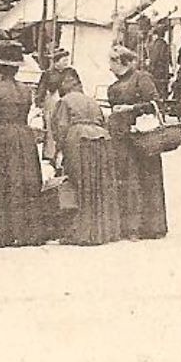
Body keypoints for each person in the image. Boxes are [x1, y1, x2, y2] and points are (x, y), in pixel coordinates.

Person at [0, 41, 45, 248]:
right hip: (24, 137)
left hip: (2, 137)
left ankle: (1, 233)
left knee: (1, 182)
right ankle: (28, 232)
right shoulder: (26, 90)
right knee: (25, 182)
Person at [50, 70, 127, 245]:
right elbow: (103, 121)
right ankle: (103, 231)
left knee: (80, 184)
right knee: (98, 185)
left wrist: (59, 151)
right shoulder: (91, 101)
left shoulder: (64, 101)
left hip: (79, 140)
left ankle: (82, 231)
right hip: (101, 140)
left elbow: (61, 127)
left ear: (65, 84)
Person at [107, 45, 169, 239]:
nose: (109, 67)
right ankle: (129, 227)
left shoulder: (142, 78)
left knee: (145, 179)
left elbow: (155, 104)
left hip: (142, 138)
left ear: (121, 62)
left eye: (111, 62)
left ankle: (150, 227)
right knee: (127, 180)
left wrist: (130, 108)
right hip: (122, 139)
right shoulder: (115, 86)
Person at [145, 24, 174, 98]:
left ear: (157, 35)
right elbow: (168, 57)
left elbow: (155, 57)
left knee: (158, 86)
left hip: (158, 69)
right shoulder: (164, 43)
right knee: (162, 87)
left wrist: (151, 67)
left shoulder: (158, 44)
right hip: (163, 69)